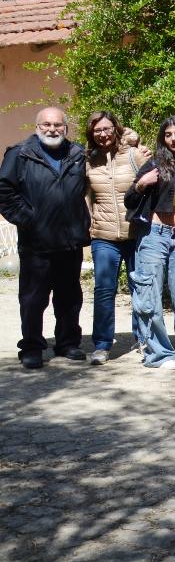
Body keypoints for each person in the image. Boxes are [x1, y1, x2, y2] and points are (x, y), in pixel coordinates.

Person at [0, 107, 91, 368]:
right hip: (35, 243)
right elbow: (4, 191)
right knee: (32, 300)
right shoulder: (20, 154)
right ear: (37, 127)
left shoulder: (77, 153)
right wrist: (28, 219)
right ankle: (31, 346)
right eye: (47, 125)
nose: (53, 129)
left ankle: (67, 343)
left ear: (66, 127)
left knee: (70, 297)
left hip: (70, 241)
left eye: (58, 125)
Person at [126, 116, 175, 368]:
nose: (174, 138)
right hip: (155, 234)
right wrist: (141, 184)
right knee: (150, 294)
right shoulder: (154, 163)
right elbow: (129, 199)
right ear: (163, 139)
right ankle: (158, 353)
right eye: (169, 134)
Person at [84, 110, 145, 365]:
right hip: (103, 236)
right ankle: (102, 344)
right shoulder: (88, 160)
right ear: (91, 133)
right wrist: (89, 222)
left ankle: (142, 339)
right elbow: (85, 196)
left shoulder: (134, 154)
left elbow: (151, 184)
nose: (103, 134)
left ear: (116, 128)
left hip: (135, 234)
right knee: (104, 290)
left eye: (107, 128)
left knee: (140, 289)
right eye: (98, 130)